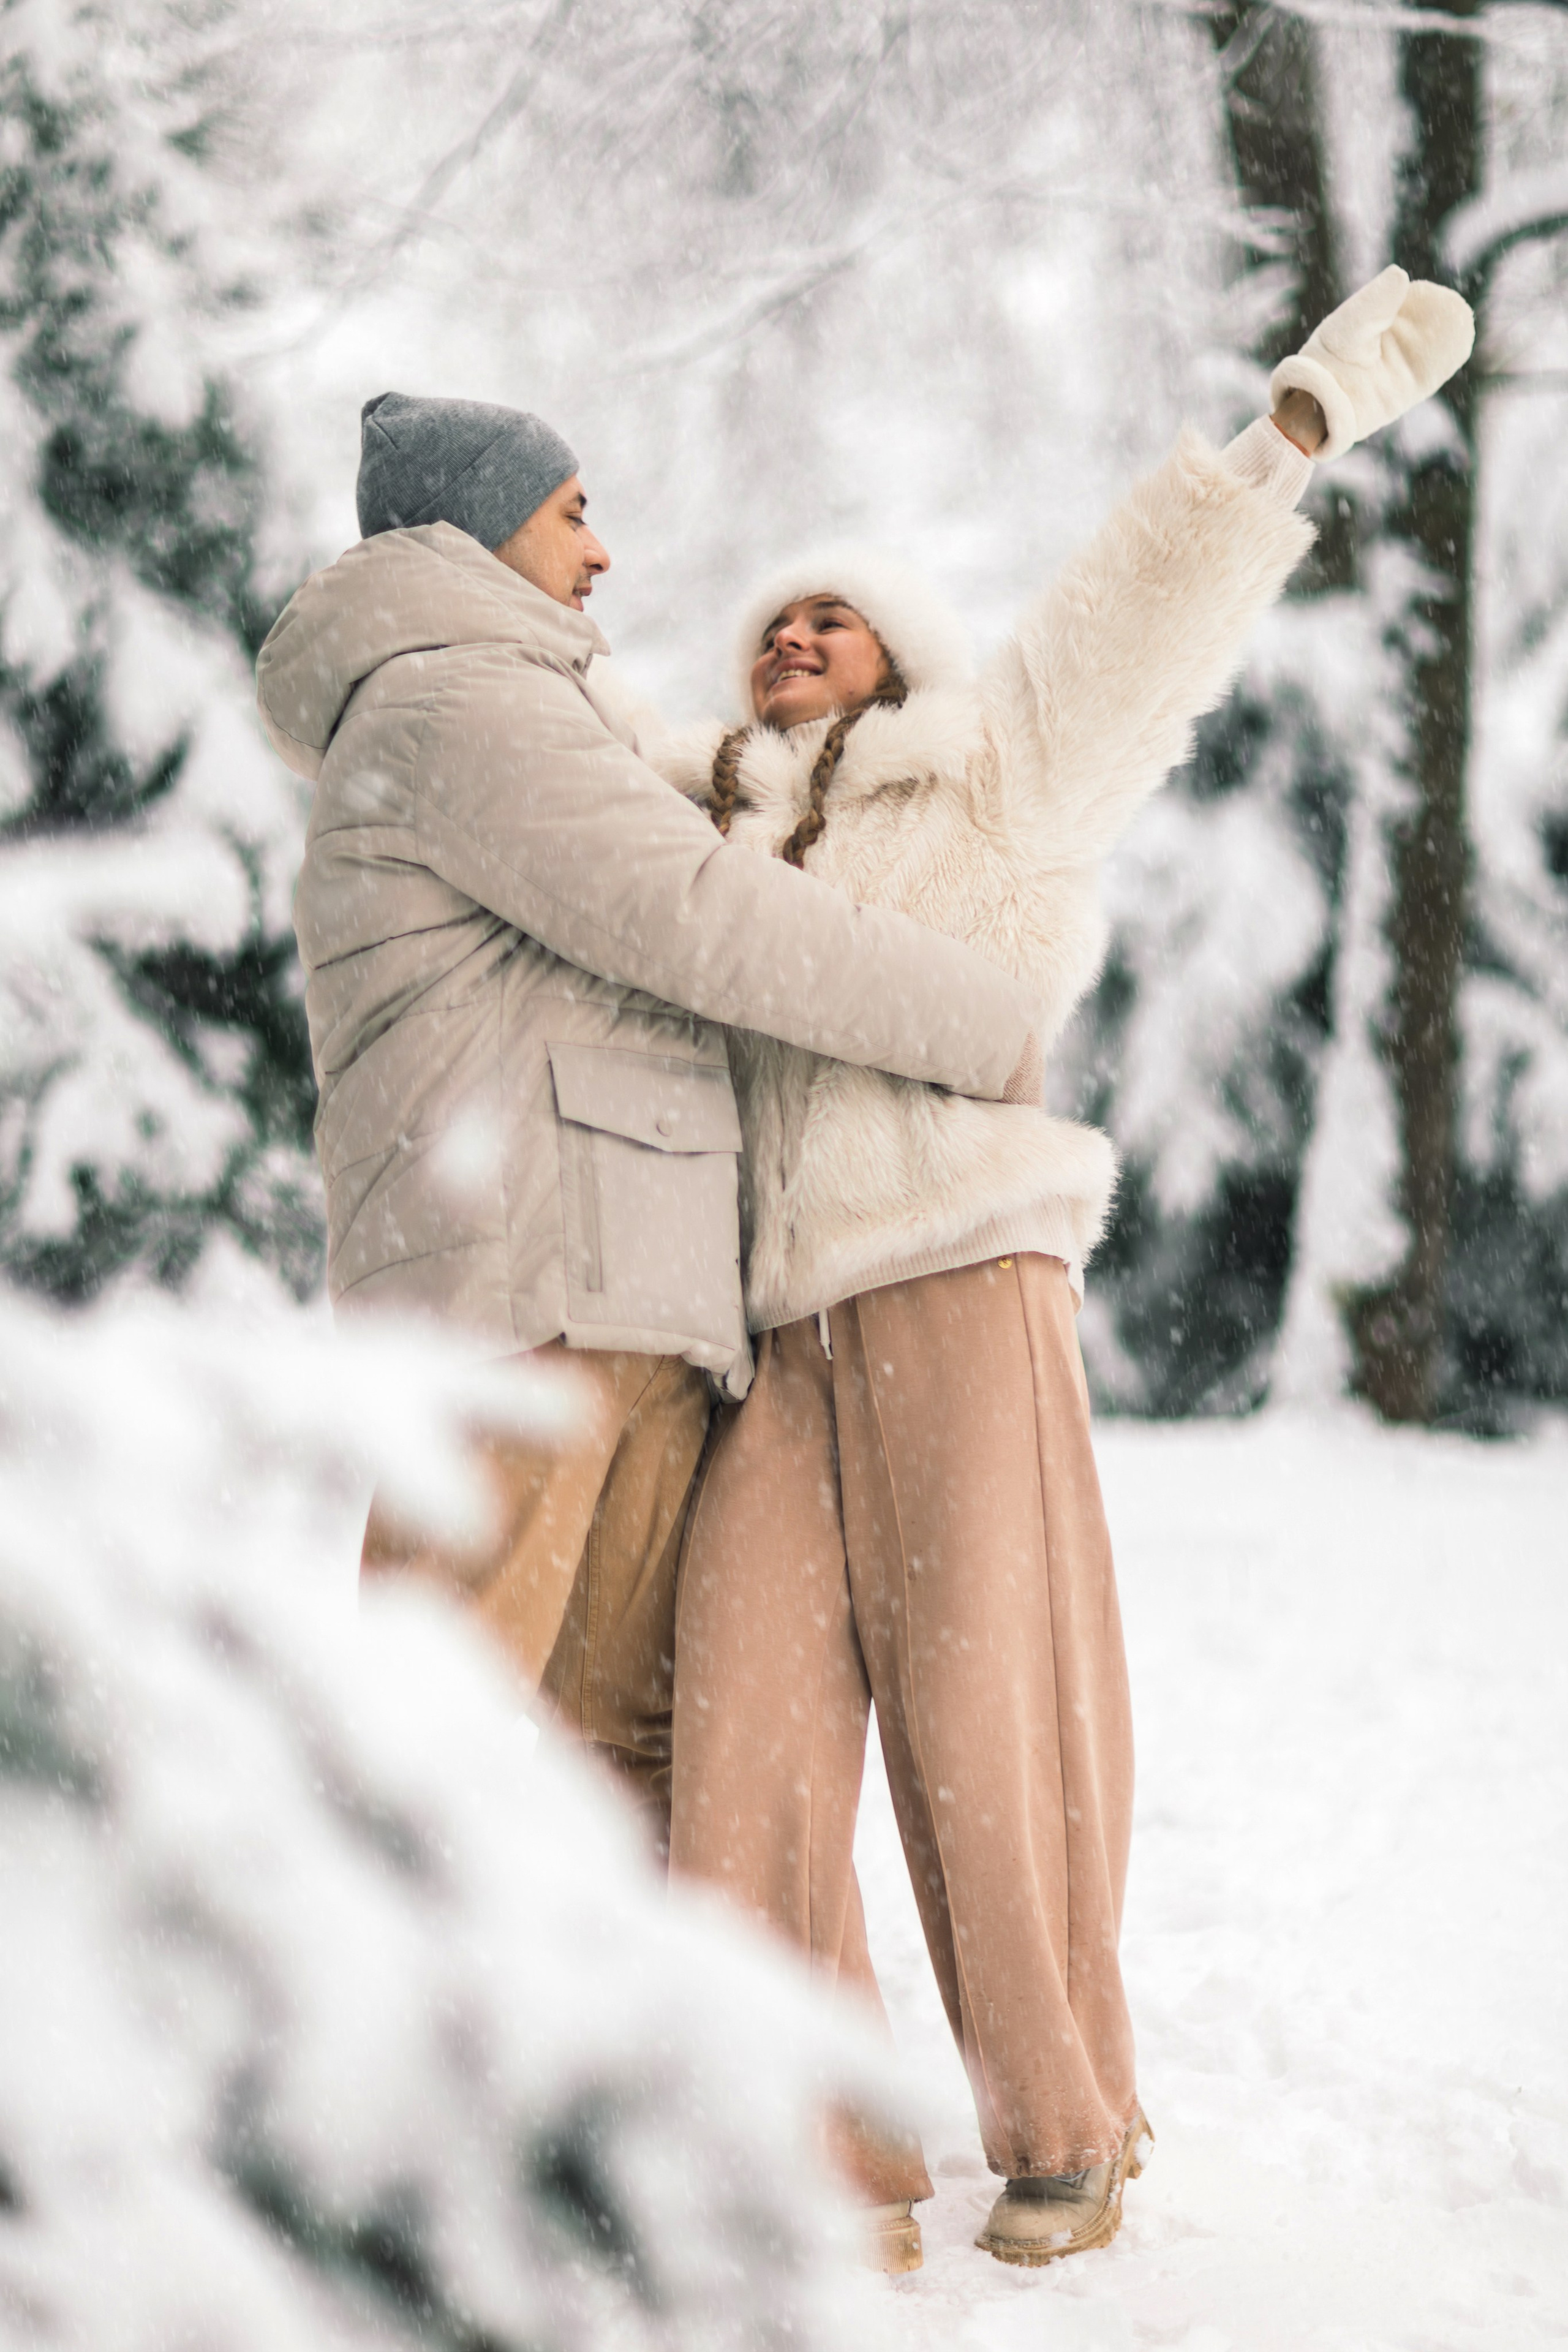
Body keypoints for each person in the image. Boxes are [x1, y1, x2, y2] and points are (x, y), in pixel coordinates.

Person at [653, 267, 1475, 2272]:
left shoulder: (1000, 777)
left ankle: (1066, 2127)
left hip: (958, 1289)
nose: (792, 635)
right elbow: (534, 762)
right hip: (774, 1344)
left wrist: (1292, 428)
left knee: (987, 1722)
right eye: (770, 622)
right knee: (738, 1736)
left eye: (833, 613)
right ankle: (810, 2148)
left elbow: (1131, 620)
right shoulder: (696, 838)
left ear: (902, 655)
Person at [255, 392, 1044, 1851]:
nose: (602, 552)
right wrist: (979, 1025)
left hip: (603, 1293)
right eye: (570, 513)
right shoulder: (454, 703)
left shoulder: (504, 703)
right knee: (416, 1750)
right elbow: (699, 916)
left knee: (624, 1767)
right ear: (477, 527)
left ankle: (563, 2010)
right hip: (524, 1300)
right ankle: (309, 2004)